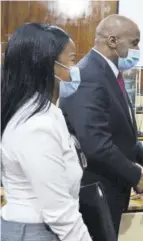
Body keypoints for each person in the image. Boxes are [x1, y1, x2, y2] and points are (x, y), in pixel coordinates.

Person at [59, 14, 143, 240]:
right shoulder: (89, 75)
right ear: (112, 41)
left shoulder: (108, 72)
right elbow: (94, 143)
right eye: (134, 43)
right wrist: (135, 176)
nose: (137, 49)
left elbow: (116, 129)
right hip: (94, 188)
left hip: (108, 187)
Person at [1, 23, 92, 241]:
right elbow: (59, 211)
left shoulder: (47, 113)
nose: (76, 68)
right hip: (35, 232)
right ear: (48, 66)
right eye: (71, 60)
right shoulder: (36, 126)